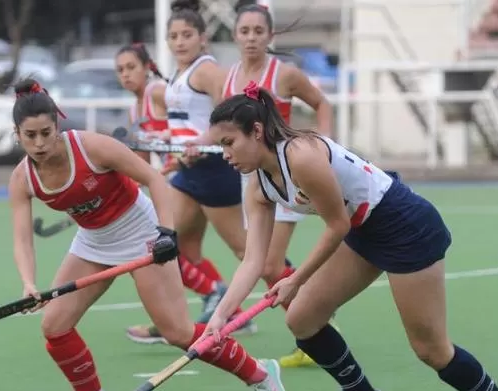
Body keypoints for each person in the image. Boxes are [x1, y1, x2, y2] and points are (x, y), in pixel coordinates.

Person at [203, 82, 498, 391]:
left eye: (228, 143)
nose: (224, 154)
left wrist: (296, 278)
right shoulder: (257, 183)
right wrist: (221, 317)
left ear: (256, 131)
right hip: (364, 232)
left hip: (404, 226)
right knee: (303, 318)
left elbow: (337, 225)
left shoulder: (301, 155)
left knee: (430, 349)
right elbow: (253, 260)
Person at [6, 78, 286, 391]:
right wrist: (28, 283)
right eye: (30, 136)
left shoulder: (91, 147)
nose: (40, 143)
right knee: (55, 325)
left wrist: (166, 233)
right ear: (17, 134)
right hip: (93, 241)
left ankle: (260, 373)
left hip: (140, 230)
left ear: (57, 125)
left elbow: (154, 179)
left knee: (177, 331)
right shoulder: (22, 179)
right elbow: (22, 240)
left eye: (46, 132)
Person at [123, 0, 279, 344]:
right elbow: (189, 122)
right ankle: (183, 320)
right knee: (176, 247)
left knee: (249, 251)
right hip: (188, 175)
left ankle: (306, 301)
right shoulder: (180, 74)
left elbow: (227, 115)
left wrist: (200, 142)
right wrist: (168, 137)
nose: (180, 41)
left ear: (203, 38)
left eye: (187, 34)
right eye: (174, 36)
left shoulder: (206, 70)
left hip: (212, 170)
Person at [223, 1, 335, 368]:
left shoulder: (284, 74)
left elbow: (322, 104)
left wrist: (324, 148)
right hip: (255, 179)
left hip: (288, 175)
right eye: (244, 31)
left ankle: (312, 329)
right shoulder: (228, 79)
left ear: (270, 35)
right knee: (261, 262)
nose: (252, 38)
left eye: (259, 31)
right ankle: (312, 323)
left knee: (269, 263)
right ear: (234, 35)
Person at [115, 42, 228, 330]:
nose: (126, 75)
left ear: (147, 68)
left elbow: (190, 119)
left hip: (195, 172)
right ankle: (229, 308)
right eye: (120, 70)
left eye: (131, 67)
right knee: (187, 251)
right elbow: (141, 165)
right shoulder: (133, 112)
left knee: (161, 245)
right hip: (178, 181)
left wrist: (180, 153)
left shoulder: (158, 93)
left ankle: (211, 298)